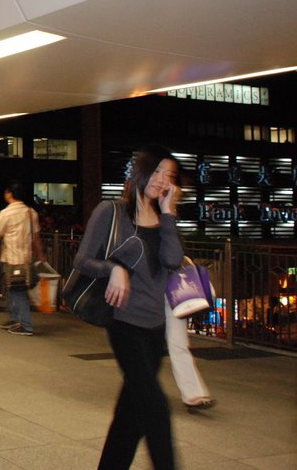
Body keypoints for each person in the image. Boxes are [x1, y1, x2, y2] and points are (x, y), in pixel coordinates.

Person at [73, 145, 184, 470]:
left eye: (170, 176)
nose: (162, 180)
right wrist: (115, 269)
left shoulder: (162, 218)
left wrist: (168, 214)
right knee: (155, 407)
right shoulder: (111, 211)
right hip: (124, 323)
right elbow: (82, 260)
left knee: (130, 418)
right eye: (157, 171)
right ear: (141, 172)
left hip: (155, 328)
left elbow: (173, 260)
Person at [0, 182, 43, 335]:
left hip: (11, 258)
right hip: (26, 258)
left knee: (17, 291)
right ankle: (15, 319)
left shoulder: (6, 213)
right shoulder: (31, 213)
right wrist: (40, 254)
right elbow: (36, 238)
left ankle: (26, 325)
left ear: (9, 194)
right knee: (13, 289)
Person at [165, 298, 215, 410]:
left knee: (179, 345)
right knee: (142, 347)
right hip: (144, 295)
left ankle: (193, 394)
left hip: (173, 296)